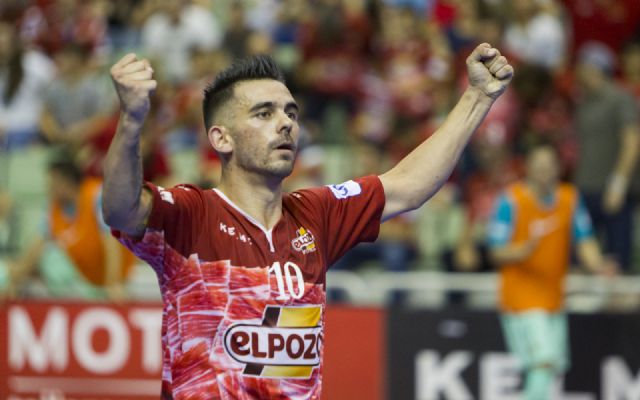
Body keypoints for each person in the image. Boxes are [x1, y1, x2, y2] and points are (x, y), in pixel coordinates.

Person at [103, 43, 513, 398]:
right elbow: (120, 208)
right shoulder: (191, 214)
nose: (285, 123)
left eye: (291, 113)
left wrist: (477, 96)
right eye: (263, 114)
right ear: (221, 138)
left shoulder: (316, 214)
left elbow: (408, 186)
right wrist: (132, 122)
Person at [487, 143, 616, 400]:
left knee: (550, 367)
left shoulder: (570, 199)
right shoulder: (511, 201)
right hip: (521, 300)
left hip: (553, 298)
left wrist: (598, 265)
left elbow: (584, 239)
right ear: (528, 168)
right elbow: (495, 251)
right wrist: (521, 251)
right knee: (543, 362)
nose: (543, 172)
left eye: (548, 166)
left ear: (558, 168)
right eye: (538, 167)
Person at [5, 156, 135, 299]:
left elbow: (112, 240)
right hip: (87, 279)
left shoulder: (97, 196)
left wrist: (114, 283)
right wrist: (15, 277)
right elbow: (37, 246)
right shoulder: (53, 209)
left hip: (119, 277)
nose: (49, 189)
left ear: (66, 182)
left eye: (52, 184)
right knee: (43, 260)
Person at [574, 41, 640, 272]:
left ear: (595, 68)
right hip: (586, 187)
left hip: (612, 189)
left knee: (617, 258)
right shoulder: (584, 102)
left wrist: (618, 183)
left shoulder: (619, 98)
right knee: (582, 256)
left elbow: (632, 142)